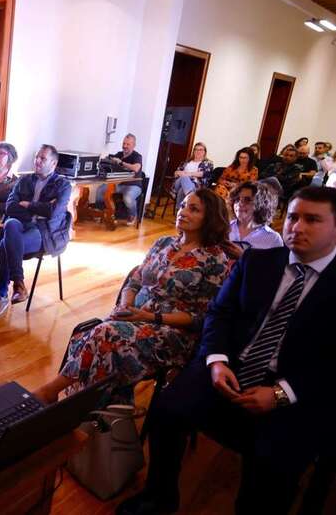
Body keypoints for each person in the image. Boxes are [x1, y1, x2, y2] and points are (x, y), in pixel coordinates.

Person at [118, 186, 336, 515]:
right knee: (166, 408)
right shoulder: (259, 261)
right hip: (230, 365)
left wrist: (281, 393)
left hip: (294, 386)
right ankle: (159, 497)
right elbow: (220, 313)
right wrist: (217, 361)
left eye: (313, 220)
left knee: (271, 470)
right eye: (293, 217)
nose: (297, 227)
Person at [35, 189, 237, 406]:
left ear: (210, 218)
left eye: (193, 209)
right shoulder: (164, 243)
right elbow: (135, 279)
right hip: (135, 315)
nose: (183, 212)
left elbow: (201, 317)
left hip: (172, 331)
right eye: (182, 206)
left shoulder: (215, 260)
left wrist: (149, 317)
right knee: (91, 335)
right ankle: (102, 409)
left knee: (106, 335)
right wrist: (126, 306)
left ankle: (56, 394)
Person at [0, 144, 72, 317]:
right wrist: (40, 208)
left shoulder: (63, 185)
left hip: (44, 232)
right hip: (20, 225)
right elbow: (10, 207)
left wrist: (28, 204)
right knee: (11, 223)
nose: (37, 161)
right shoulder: (24, 180)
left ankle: (1, 295)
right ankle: (18, 284)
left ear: (53, 163)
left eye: (43, 158)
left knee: (5, 245)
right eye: (36, 157)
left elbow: (53, 212)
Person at [96, 134, 144, 226]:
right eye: (124, 143)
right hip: (119, 184)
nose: (125, 146)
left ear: (134, 145)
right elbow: (109, 162)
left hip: (134, 185)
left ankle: (132, 215)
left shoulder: (137, 156)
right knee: (101, 189)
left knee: (128, 197)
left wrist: (121, 162)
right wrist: (106, 159)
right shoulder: (119, 154)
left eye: (128, 144)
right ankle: (101, 213)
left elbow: (136, 168)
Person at [228, 181, 283, 249]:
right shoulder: (224, 229)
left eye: (247, 200)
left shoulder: (273, 239)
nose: (239, 204)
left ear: (261, 205)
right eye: (237, 199)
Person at [171, 142, 213, 210]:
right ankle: (191, 198)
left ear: (204, 152)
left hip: (196, 186)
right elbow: (176, 173)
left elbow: (204, 174)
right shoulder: (187, 161)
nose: (198, 151)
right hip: (179, 183)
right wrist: (180, 173)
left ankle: (179, 211)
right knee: (184, 178)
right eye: (196, 149)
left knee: (182, 189)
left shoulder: (208, 163)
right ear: (193, 151)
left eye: (200, 150)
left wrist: (187, 174)